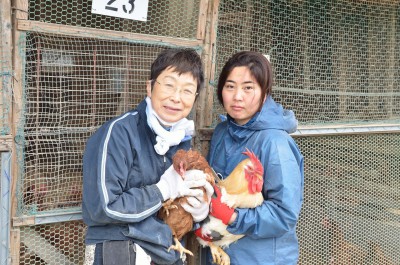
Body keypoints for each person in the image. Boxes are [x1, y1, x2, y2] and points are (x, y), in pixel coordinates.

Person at [82, 48, 213, 265]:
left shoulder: (181, 140)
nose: (176, 98)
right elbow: (103, 208)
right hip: (118, 249)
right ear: (150, 87)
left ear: (195, 97)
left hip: (164, 251)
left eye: (187, 91)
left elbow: (174, 211)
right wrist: (161, 191)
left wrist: (198, 213)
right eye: (169, 85)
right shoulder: (119, 133)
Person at [206, 51, 304, 264]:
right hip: (222, 253)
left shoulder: (275, 142)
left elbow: (284, 214)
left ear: (264, 92)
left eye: (248, 88)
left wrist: (233, 217)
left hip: (261, 258)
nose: (237, 96)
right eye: (230, 86)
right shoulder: (223, 130)